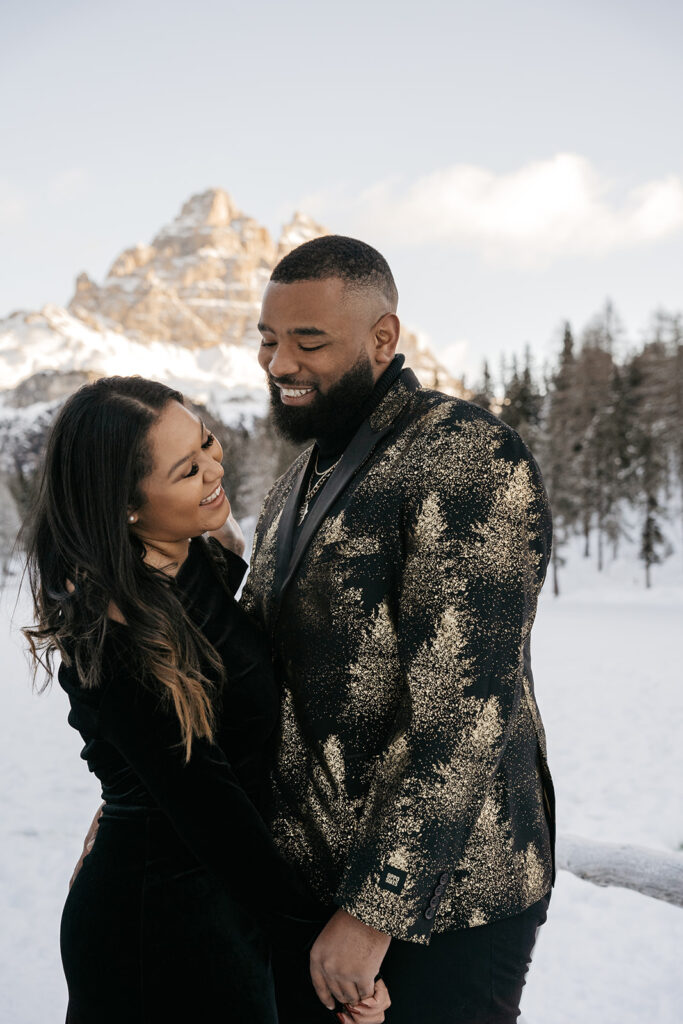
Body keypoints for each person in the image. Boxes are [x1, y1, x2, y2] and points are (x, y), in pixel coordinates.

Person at [235, 235, 556, 1024]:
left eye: (310, 341)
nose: (281, 364)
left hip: (447, 903)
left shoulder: (464, 456)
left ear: (383, 339)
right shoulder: (295, 479)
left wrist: (374, 911)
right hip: (313, 894)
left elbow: (462, 714)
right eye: (269, 341)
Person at [21, 376, 390, 1024]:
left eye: (207, 442)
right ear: (127, 506)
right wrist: (334, 961)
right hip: (162, 926)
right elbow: (219, 824)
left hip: (219, 904)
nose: (214, 468)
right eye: (187, 469)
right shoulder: (120, 637)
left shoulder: (204, 555)